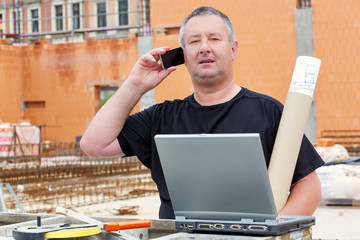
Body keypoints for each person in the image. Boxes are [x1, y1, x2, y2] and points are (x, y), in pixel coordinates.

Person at [80, 6, 324, 219]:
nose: (204, 47)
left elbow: (309, 186)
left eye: (215, 39)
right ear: (182, 55)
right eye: (194, 41)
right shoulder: (162, 118)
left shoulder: (268, 112)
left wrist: (270, 231)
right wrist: (136, 84)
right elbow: (94, 145)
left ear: (233, 49)